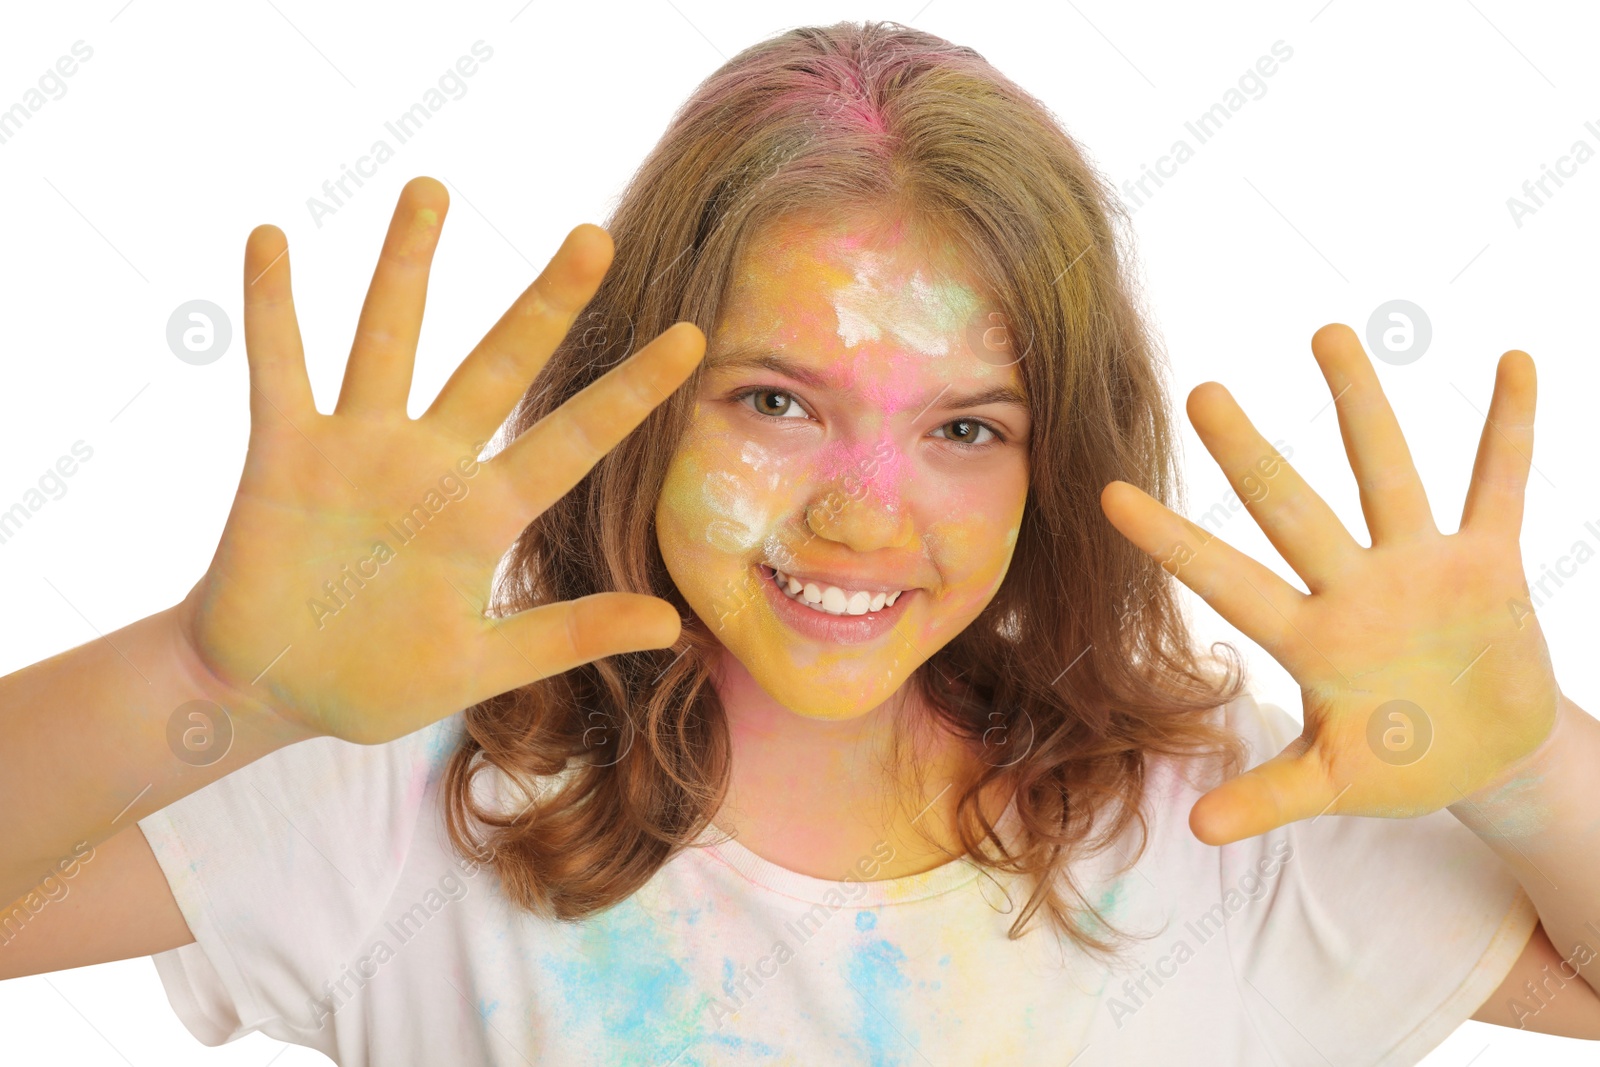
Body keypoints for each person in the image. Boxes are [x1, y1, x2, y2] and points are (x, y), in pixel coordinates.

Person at [3, 19, 1599, 1065]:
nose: (861, 514)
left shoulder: (1217, 826)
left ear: (1057, 467)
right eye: (777, 401)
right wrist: (209, 673)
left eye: (967, 427)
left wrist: (1532, 771)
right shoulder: (426, 799)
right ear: (644, 401)